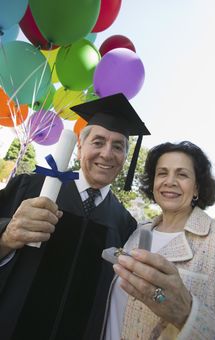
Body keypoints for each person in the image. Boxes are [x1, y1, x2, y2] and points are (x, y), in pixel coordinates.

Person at [0, 93, 150, 340]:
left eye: (118, 146)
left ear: (125, 157)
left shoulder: (125, 224)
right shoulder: (29, 188)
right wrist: (6, 236)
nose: (107, 154)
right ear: (79, 147)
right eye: (98, 142)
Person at [101, 141, 215, 340]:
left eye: (182, 174)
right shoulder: (136, 232)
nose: (170, 181)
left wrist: (186, 314)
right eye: (162, 173)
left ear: (197, 188)